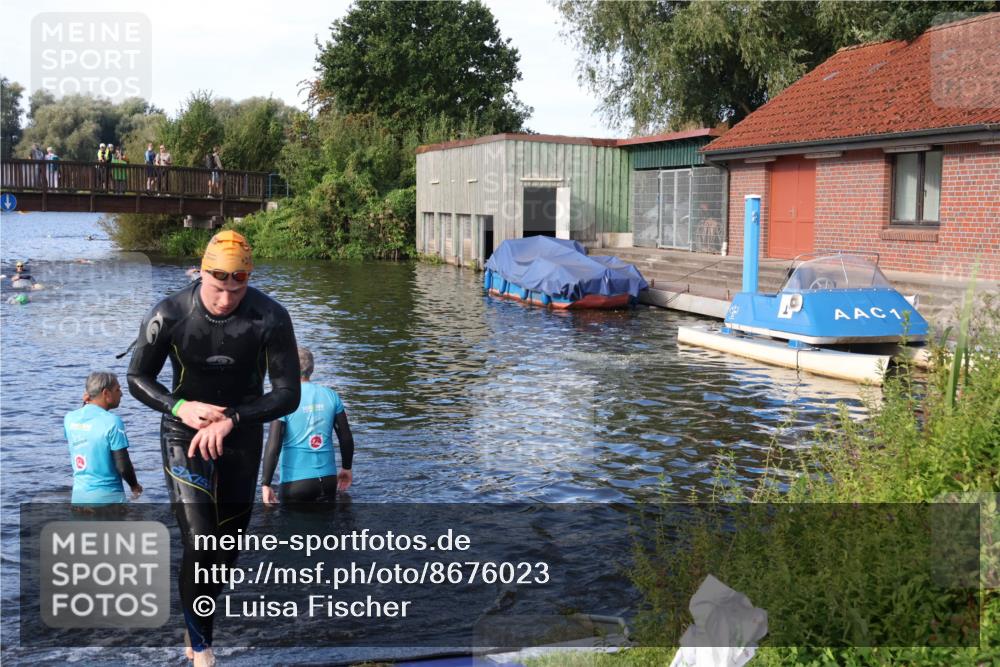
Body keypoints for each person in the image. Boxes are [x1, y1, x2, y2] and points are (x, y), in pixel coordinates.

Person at [127, 230, 300, 666]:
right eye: (217, 287)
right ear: (201, 273)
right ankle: (201, 647)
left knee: (225, 550)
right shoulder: (169, 314)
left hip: (240, 431)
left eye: (236, 289)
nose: (225, 300)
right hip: (184, 432)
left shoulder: (271, 317)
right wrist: (180, 406)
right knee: (201, 542)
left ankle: (200, 614)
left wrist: (233, 418)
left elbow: (288, 393)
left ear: (248, 280)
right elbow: (137, 379)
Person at [261, 347, 354, 505]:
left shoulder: (284, 399)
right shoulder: (331, 395)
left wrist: (266, 483)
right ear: (312, 368)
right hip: (328, 482)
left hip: (295, 485)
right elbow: (345, 438)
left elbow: (273, 445)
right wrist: (346, 468)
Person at [63, 372, 143, 505]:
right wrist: (134, 486)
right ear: (106, 393)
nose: (121, 394)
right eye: (118, 389)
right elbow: (123, 465)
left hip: (79, 500)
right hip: (109, 500)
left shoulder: (69, 418)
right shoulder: (113, 422)